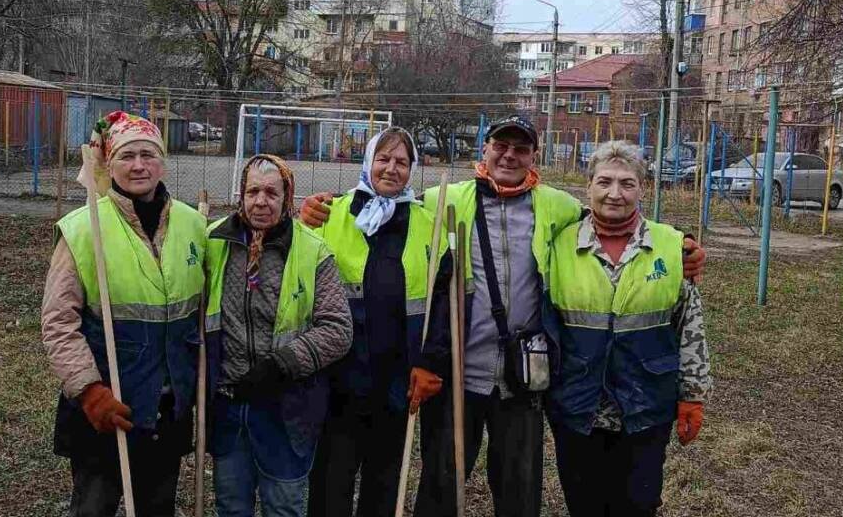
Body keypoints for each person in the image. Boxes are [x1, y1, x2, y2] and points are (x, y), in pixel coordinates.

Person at [300, 116, 707, 517]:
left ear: (534, 156)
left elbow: (611, 215)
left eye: (521, 148)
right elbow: (389, 207)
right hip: (460, 374)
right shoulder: (447, 199)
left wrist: (679, 244)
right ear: (486, 149)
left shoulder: (558, 206)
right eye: (501, 145)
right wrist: (320, 207)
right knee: (441, 485)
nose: (509, 156)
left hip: (523, 379)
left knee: (519, 492)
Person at [40, 111, 207, 517]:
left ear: (163, 163)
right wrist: (89, 391)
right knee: (94, 507)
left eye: (148, 155)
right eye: (127, 155)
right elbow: (59, 322)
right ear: (109, 164)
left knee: (157, 506)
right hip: (108, 408)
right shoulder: (84, 229)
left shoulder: (194, 224)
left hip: (167, 408)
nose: (138, 165)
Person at [543, 141, 710, 517]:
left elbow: (691, 326)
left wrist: (693, 395)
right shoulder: (559, 246)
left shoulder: (671, 247)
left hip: (646, 405)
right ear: (588, 187)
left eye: (627, 183)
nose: (614, 194)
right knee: (584, 505)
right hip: (577, 407)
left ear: (643, 189)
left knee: (638, 505)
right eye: (604, 182)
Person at [306, 128, 452, 517]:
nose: (391, 169)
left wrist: (429, 362)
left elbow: (443, 302)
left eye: (401, 162)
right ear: (367, 162)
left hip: (397, 380)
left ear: (412, 169)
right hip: (339, 377)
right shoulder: (331, 213)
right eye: (383, 159)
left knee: (384, 482)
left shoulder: (428, 225)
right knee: (330, 482)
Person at [204, 154, 353, 517]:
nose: (260, 201)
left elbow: (338, 329)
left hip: (288, 406)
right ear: (240, 194)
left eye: (272, 193)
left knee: (283, 506)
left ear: (287, 198)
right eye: (253, 191)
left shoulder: (312, 251)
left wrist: (282, 364)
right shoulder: (214, 242)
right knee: (231, 505)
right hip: (230, 401)